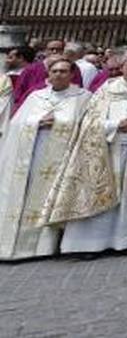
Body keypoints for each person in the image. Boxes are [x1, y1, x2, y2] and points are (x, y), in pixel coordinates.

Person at [46, 50, 127, 257]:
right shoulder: (108, 88)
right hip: (107, 149)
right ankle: (90, 245)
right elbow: (90, 121)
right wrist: (115, 125)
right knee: (99, 192)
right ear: (121, 67)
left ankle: (123, 241)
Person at [0, 59, 91, 260]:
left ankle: (44, 246)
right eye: (55, 71)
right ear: (48, 75)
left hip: (62, 160)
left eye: (64, 71)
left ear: (72, 74)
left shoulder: (83, 98)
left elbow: (89, 129)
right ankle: (13, 246)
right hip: (30, 156)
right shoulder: (36, 97)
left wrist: (59, 124)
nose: (59, 74)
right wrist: (36, 122)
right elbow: (15, 125)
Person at [8, 45, 47, 113]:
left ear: (21, 58)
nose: (6, 61)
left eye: (10, 57)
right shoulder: (40, 70)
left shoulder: (13, 77)